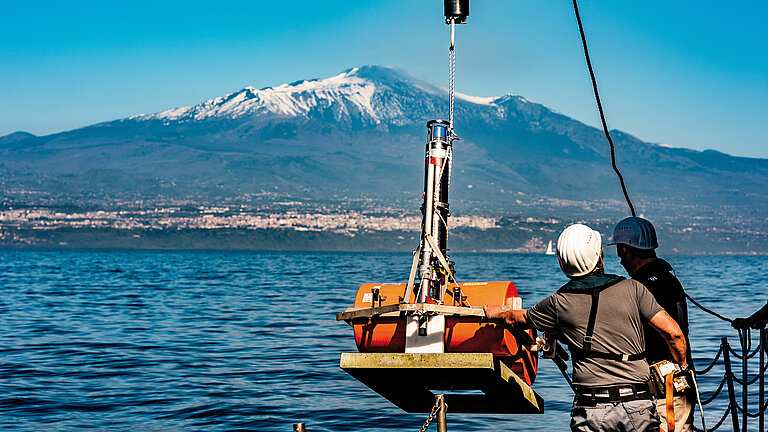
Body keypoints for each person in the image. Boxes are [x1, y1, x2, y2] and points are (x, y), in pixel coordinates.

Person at [485, 223, 687, 432]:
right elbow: (674, 334)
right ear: (599, 256)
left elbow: (514, 318)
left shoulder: (557, 303)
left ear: (561, 263)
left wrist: (494, 312)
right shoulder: (634, 288)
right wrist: (681, 367)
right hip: (638, 404)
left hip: (591, 407)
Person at [609, 217, 694, 432]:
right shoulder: (669, 279)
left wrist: (680, 368)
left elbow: (673, 334)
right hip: (677, 386)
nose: (620, 260)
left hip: (664, 388)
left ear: (627, 251)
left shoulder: (640, 287)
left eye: (620, 252)